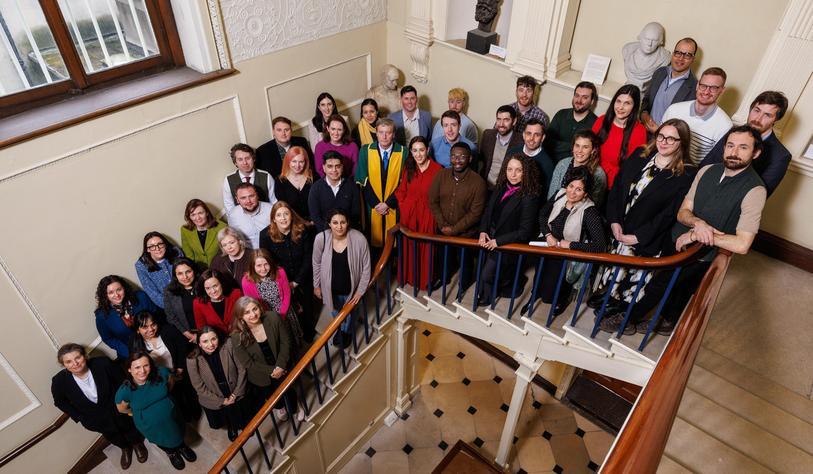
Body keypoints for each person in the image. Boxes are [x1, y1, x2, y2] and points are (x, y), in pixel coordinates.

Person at [601, 125, 766, 335]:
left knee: (663, 285)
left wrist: (700, 234)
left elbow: (742, 244)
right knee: (660, 281)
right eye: (730, 145)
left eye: (743, 147)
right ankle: (662, 319)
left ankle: (628, 319)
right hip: (674, 238)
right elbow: (682, 211)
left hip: (701, 253)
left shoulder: (755, 189)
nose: (734, 152)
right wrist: (698, 223)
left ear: (756, 153)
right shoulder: (707, 171)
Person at [592, 119, 696, 333]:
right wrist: (614, 220)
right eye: (660, 136)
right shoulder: (640, 155)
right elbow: (619, 187)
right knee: (614, 267)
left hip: (645, 235)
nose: (663, 142)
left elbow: (669, 214)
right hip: (620, 225)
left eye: (671, 138)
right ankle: (609, 297)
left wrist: (639, 237)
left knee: (632, 275)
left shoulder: (685, 173)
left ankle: (621, 308)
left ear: (681, 143)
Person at [51, 344, 147, 470]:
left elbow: (122, 381)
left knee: (128, 426)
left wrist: (126, 403)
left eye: (77, 357)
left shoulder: (102, 363)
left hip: (118, 408)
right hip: (94, 418)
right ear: (63, 365)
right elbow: (60, 402)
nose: (75, 363)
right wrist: (80, 417)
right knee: (111, 434)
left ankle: (137, 443)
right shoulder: (59, 381)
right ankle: (124, 448)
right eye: (68, 361)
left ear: (85, 356)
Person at [531, 167, 607, 315]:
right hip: (548, 243)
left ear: (585, 193)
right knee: (538, 275)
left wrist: (570, 244)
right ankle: (534, 295)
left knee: (550, 294)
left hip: (566, 254)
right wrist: (547, 235)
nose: (572, 192)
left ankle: (561, 300)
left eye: (579, 189)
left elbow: (600, 245)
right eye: (571, 186)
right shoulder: (560, 194)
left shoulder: (589, 211)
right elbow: (542, 215)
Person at [476, 155, 541, 305]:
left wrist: (497, 241)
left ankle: (493, 295)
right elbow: (488, 211)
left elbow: (525, 231)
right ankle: (485, 295)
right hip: (490, 236)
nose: (513, 174)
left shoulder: (530, 197)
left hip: (506, 242)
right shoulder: (501, 186)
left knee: (487, 274)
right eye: (510, 169)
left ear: (526, 172)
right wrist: (483, 231)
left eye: (518, 170)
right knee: (483, 271)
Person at [700, 91, 791, 196]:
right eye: (756, 110)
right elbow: (705, 167)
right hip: (701, 194)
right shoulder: (733, 132)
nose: (757, 119)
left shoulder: (780, 156)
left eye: (767, 115)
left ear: (776, 119)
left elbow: (759, 196)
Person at [115, 352, 196, 470]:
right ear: (129, 370)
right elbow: (122, 409)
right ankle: (171, 453)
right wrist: (134, 412)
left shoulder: (162, 373)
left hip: (172, 416)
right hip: (150, 426)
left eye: (146, 365)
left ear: (151, 366)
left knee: (178, 432)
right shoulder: (125, 391)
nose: (142, 371)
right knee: (162, 440)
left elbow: (170, 384)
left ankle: (182, 447)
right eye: (137, 367)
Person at [230, 296, 303, 422]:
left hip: (282, 364)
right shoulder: (237, 337)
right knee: (272, 396)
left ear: (259, 308)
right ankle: (280, 407)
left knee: (288, 389)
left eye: (255, 309)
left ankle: (295, 406)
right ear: (240, 317)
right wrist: (272, 371)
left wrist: (280, 366)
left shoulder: (273, 317)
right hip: (261, 374)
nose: (253, 314)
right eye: (247, 312)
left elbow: (285, 342)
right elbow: (248, 363)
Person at [312, 209, 371, 349]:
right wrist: (317, 285)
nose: (339, 226)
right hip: (331, 289)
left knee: (350, 314)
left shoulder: (359, 239)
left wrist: (360, 291)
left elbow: (367, 268)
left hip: (351, 290)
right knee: (335, 311)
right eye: (335, 223)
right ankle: (340, 328)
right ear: (329, 224)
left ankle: (346, 332)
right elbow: (316, 263)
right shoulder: (321, 238)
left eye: (343, 222)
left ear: (348, 223)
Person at [128, 311, 201, 422]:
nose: (151, 329)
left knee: (189, 393)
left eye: (153, 324)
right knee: (174, 399)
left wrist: (180, 368)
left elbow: (182, 348)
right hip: (161, 378)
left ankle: (196, 413)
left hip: (179, 370)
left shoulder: (168, 330)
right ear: (138, 330)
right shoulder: (134, 344)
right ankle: (185, 417)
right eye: (145, 327)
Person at [260, 201, 316, 342]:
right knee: (290, 309)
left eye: (286, 214)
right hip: (280, 279)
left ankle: (309, 333)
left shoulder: (302, 230)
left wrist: (297, 282)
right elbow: (268, 262)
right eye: (279, 215)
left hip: (303, 276)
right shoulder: (265, 235)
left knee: (308, 307)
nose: (283, 218)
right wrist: (284, 282)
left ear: (292, 216)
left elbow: (308, 258)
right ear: (273, 218)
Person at [395, 136, 443, 288]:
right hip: (408, 215)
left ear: (428, 150)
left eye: (421, 150)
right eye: (414, 150)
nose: (418, 154)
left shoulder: (438, 169)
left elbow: (440, 196)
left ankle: (423, 281)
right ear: (411, 152)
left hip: (428, 215)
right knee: (408, 246)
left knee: (426, 248)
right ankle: (408, 277)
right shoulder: (408, 168)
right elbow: (401, 191)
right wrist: (404, 207)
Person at [186, 326, 248, 441]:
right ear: (199, 344)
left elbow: (242, 369)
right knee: (227, 413)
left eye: (213, 339)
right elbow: (199, 387)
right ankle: (232, 426)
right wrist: (222, 401)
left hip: (234, 388)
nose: (210, 344)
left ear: (218, 338)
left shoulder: (228, 345)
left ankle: (243, 424)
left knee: (240, 411)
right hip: (214, 394)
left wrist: (236, 393)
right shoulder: (192, 359)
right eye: (205, 341)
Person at [662, 67, 732, 165]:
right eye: (703, 86)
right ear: (697, 85)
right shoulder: (673, 110)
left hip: (690, 174)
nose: (706, 92)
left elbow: (711, 163)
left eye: (713, 88)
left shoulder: (725, 126)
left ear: (722, 90)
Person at [242, 249, 306, 352]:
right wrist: (268, 320)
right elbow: (251, 305)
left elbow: (287, 294)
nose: (263, 269)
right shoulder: (246, 281)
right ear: (252, 266)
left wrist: (282, 315)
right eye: (258, 266)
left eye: (266, 264)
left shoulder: (280, 272)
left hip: (284, 312)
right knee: (278, 346)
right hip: (265, 317)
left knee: (293, 341)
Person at [356, 118, 406, 247]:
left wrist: (388, 204)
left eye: (388, 132)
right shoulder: (365, 151)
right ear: (376, 133)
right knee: (373, 241)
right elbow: (363, 180)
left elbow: (404, 183)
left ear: (393, 134)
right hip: (372, 205)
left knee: (394, 242)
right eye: (381, 132)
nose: (384, 136)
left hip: (394, 205)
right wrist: (377, 204)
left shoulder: (403, 152)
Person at [592, 84, 647, 188]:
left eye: (627, 103)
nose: (621, 107)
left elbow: (632, 168)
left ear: (634, 107)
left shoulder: (639, 131)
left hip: (615, 185)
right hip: (592, 176)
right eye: (618, 101)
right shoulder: (602, 120)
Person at [428, 142, 488, 238]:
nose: (457, 160)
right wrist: (443, 224)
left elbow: (475, 213)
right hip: (442, 232)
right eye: (453, 156)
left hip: (466, 236)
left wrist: (454, 230)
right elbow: (433, 201)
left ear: (470, 159)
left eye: (462, 157)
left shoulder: (479, 183)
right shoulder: (441, 175)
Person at [641, 38, 699, 133]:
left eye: (687, 55)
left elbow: (685, 124)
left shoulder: (694, 87)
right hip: (643, 132)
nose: (681, 58)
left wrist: (660, 132)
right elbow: (646, 99)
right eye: (678, 53)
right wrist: (644, 114)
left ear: (693, 59)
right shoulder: (660, 72)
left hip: (666, 141)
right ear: (673, 54)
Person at [94, 275, 158, 360]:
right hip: (130, 351)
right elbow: (108, 338)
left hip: (156, 340)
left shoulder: (141, 297)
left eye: (119, 290)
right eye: (111, 292)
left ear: (124, 288)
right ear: (105, 295)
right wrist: (131, 353)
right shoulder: (102, 316)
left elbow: (157, 315)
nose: (116, 295)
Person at [548, 129, 608, 208]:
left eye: (585, 147)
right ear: (573, 147)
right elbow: (551, 197)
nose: (579, 151)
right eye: (577, 145)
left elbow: (594, 206)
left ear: (593, 150)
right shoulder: (562, 164)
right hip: (556, 209)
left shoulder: (598, 174)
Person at [308, 151, 362, 232]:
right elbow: (315, 216)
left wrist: (343, 232)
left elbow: (355, 215)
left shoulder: (352, 187)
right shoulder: (316, 188)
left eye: (337, 166)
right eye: (330, 166)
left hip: (348, 232)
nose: (334, 170)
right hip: (324, 233)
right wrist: (329, 233)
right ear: (324, 168)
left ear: (342, 167)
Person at [544, 82, 598, 161]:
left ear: (592, 101)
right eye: (577, 95)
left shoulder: (596, 123)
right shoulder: (561, 114)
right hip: (551, 160)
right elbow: (547, 142)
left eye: (585, 97)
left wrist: (561, 146)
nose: (579, 100)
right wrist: (573, 147)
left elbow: (591, 153)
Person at [222, 143, 276, 215]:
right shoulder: (228, 180)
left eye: (248, 158)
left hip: (266, 217)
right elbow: (229, 208)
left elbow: (274, 202)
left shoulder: (266, 176)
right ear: (235, 163)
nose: (245, 163)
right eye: (240, 159)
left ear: (253, 159)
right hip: (242, 221)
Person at [135, 231, 182, 309]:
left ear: (165, 244)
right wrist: (171, 307)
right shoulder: (141, 266)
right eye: (152, 246)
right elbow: (152, 292)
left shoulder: (176, 252)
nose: (157, 248)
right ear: (147, 249)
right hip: (167, 306)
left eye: (160, 244)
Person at [479, 105, 524, 187]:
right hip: (484, 185)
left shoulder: (521, 141)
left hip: (505, 188)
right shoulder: (488, 135)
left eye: (506, 120)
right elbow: (481, 160)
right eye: (499, 119)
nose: (501, 124)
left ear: (514, 121)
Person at [621, 22, 671, 93]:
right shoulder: (628, 50)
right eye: (647, 39)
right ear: (640, 37)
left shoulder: (665, 57)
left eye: (654, 40)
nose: (649, 44)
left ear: (660, 42)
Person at [507, 118, 555, 192]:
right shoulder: (512, 152)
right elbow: (502, 179)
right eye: (528, 133)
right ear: (523, 135)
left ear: (542, 138)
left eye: (537, 135)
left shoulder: (547, 164)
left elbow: (544, 193)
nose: (532, 138)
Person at [180, 199, 227, 269]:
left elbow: (226, 252)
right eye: (193, 215)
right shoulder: (185, 230)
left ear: (207, 213)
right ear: (189, 217)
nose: (198, 218)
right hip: (199, 270)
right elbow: (189, 256)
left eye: (200, 213)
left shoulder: (222, 227)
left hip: (220, 267)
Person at [193, 269, 243, 334]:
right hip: (217, 341)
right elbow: (202, 329)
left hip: (239, 336)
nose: (213, 291)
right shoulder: (198, 303)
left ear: (222, 283)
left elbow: (244, 317)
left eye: (215, 286)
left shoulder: (236, 294)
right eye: (208, 288)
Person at [274, 146, 315, 222]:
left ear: (306, 162)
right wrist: (303, 222)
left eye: (301, 162)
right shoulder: (280, 181)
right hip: (293, 223)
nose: (297, 165)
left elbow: (318, 202)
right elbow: (285, 207)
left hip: (314, 221)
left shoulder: (313, 176)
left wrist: (315, 220)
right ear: (288, 162)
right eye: (294, 161)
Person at [164, 257, 199, 343]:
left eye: (188, 272)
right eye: (180, 274)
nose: (185, 277)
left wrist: (202, 335)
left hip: (209, 331)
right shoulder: (169, 291)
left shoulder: (204, 285)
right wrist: (188, 334)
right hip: (186, 335)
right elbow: (171, 316)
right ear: (175, 275)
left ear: (194, 271)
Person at [226, 183, 273, 249]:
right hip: (249, 252)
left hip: (272, 249)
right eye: (243, 198)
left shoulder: (271, 209)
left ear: (257, 195)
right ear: (237, 200)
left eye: (251, 196)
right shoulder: (233, 215)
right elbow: (235, 238)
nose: (248, 201)